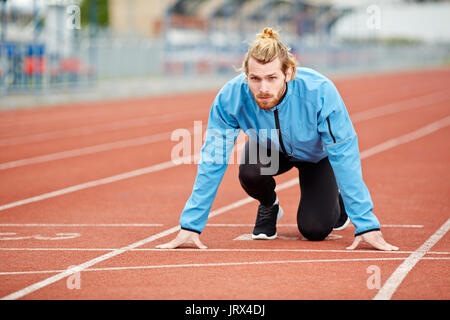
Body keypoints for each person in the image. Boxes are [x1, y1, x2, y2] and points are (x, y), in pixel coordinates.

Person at [157, 27, 398, 251]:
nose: (263, 88)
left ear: (288, 72)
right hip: (269, 147)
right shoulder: (230, 97)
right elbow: (213, 159)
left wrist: (366, 224)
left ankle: (339, 201)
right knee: (250, 172)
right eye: (255, 79)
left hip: (317, 157)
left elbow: (344, 153)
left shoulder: (320, 91)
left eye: (272, 78)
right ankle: (269, 206)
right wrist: (190, 225)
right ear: (246, 75)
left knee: (314, 230)